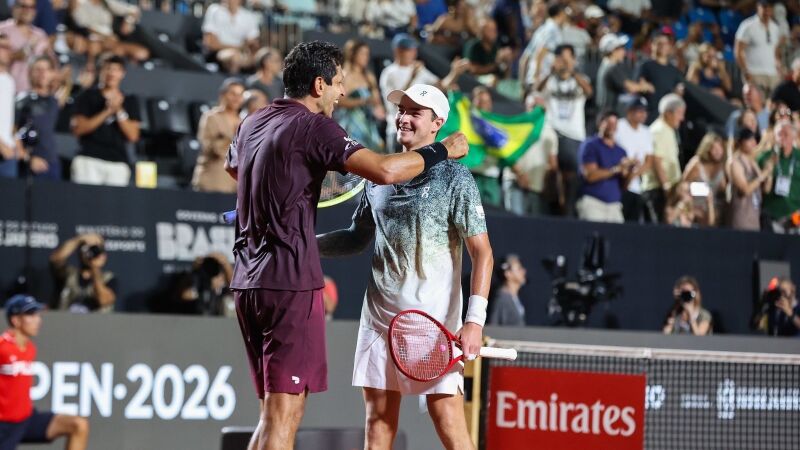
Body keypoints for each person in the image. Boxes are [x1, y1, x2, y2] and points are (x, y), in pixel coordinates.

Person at [222, 41, 468, 450]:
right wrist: (444, 149)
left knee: (272, 415)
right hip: (289, 282)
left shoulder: (253, 121)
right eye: (338, 83)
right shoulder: (315, 127)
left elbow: (235, 168)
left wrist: (284, 189)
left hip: (249, 280)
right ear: (318, 85)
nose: (341, 92)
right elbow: (385, 170)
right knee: (284, 415)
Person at [316, 83, 492, 450]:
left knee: (449, 422)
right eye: (401, 110)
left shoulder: (455, 178)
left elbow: (483, 253)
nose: (404, 118)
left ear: (437, 124)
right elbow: (356, 237)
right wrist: (304, 246)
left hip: (435, 324)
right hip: (380, 322)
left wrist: (474, 321)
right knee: (378, 424)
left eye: (415, 112)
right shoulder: (379, 175)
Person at [0, 294, 90, 450]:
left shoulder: (30, 348)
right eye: (30, 315)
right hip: (4, 425)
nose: (38, 320)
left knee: (78, 425)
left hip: (26, 419)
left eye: (37, 314)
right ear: (16, 320)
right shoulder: (3, 347)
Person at [379, 33, 467, 152]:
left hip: (418, 133)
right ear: (398, 51)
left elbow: (441, 86)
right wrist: (412, 77)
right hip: (396, 131)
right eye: (409, 49)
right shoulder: (389, 73)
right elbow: (395, 102)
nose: (413, 53)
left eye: (414, 49)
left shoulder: (420, 70)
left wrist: (454, 73)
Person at [537, 44, 592, 217]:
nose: (564, 62)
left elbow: (589, 91)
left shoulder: (580, 79)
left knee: (571, 178)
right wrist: (550, 71)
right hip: (553, 131)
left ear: (574, 60)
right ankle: (551, 211)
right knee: (551, 174)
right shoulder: (550, 80)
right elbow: (537, 89)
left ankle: (568, 212)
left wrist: (572, 71)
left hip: (574, 135)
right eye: (561, 58)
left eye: (568, 58)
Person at [70, 54, 140, 186]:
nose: (111, 73)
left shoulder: (130, 101)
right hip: (89, 159)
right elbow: (78, 129)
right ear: (100, 71)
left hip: (117, 163)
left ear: (122, 73)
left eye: (116, 69)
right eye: (107, 68)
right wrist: (106, 112)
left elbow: (133, 136)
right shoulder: (87, 96)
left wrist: (119, 110)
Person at [504, 93, 558, 216]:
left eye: (541, 108)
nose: (537, 110)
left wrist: (548, 183)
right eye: (533, 106)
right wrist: (520, 175)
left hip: (537, 189)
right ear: (526, 107)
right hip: (516, 183)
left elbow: (553, 163)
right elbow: (507, 155)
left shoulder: (551, 133)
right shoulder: (516, 125)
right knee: (515, 222)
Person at [576, 110, 634, 223]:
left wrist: (631, 171)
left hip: (614, 206)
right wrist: (617, 169)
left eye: (615, 123)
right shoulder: (590, 145)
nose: (612, 126)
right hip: (593, 203)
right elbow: (590, 176)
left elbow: (624, 186)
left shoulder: (621, 151)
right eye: (608, 122)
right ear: (600, 124)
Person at [192, 78, 244, 193]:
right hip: (211, 182)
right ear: (223, 95)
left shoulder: (243, 122)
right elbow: (209, 147)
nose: (237, 98)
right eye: (233, 94)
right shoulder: (211, 117)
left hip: (234, 186)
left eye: (240, 95)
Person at [640, 94, 685, 223]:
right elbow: (656, 160)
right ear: (668, 113)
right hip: (657, 190)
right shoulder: (658, 130)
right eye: (680, 113)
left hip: (668, 191)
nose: (682, 118)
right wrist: (666, 187)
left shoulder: (668, 130)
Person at [334, 40, 385, 153]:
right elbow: (337, 101)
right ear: (352, 54)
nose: (366, 57)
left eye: (367, 54)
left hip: (369, 125)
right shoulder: (344, 75)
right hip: (350, 126)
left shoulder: (369, 76)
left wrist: (379, 109)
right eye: (362, 53)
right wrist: (363, 101)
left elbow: (376, 101)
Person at [15, 56, 61, 180]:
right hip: (31, 164)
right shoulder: (22, 100)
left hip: (53, 162)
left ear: (52, 73)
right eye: (38, 69)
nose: (42, 74)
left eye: (46, 70)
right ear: (30, 72)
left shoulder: (54, 101)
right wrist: (28, 158)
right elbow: (13, 133)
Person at [49, 233, 117, 313]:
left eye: (98, 250)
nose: (93, 254)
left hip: (95, 321)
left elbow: (103, 300)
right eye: (89, 250)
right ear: (80, 253)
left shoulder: (109, 278)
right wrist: (79, 239)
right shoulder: (69, 274)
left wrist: (94, 267)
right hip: (65, 319)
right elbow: (56, 260)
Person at [614, 96, 654, 223]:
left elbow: (649, 161)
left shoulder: (646, 132)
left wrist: (634, 175)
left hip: (636, 186)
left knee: (632, 222)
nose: (643, 114)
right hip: (617, 182)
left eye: (645, 111)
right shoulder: (619, 126)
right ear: (629, 111)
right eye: (639, 111)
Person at [0, 0, 53, 93]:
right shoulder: (3, 29)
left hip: (34, 93)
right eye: (23, 6)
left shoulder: (40, 34)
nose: (27, 10)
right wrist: (23, 51)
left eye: (31, 7)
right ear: (14, 8)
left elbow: (51, 62)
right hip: (8, 89)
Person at [735, 0, 785, 96]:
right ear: (758, 7)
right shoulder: (747, 26)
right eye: (764, 7)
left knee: (773, 103)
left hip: (773, 74)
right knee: (756, 103)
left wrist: (779, 66)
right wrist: (745, 71)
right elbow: (738, 50)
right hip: (754, 72)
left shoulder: (775, 27)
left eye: (769, 7)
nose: (767, 10)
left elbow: (776, 51)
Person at [757, 119, 800, 231]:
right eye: (779, 134)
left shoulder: (798, 157)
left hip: (796, 217)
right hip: (771, 216)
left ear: (794, 136)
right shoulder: (765, 158)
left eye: (786, 134)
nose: (782, 137)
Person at [595, 33, 654, 114]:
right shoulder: (612, 68)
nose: (624, 52)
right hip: (608, 114)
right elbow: (631, 88)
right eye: (621, 48)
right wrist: (645, 86)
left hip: (605, 112)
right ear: (613, 51)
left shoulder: (606, 64)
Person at [728, 128, 773, 231]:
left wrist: (769, 172)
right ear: (740, 142)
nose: (754, 143)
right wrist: (763, 174)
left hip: (754, 217)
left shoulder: (753, 162)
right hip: (741, 217)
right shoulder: (735, 162)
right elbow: (745, 190)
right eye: (749, 140)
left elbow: (766, 189)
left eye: (754, 140)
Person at [635, 32, 684, 123]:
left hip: (667, 116)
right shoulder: (645, 65)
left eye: (665, 44)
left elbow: (679, 89)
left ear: (669, 47)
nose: (662, 46)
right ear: (652, 45)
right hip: (649, 114)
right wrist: (644, 85)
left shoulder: (673, 70)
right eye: (659, 43)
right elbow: (638, 83)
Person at [202, 0, 261, 74]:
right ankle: (233, 80)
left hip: (241, 54)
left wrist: (251, 54)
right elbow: (211, 44)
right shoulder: (214, 10)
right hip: (215, 54)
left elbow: (252, 43)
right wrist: (240, 48)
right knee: (234, 57)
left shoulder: (248, 16)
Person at [682, 132, 728, 226]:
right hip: (695, 209)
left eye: (720, 148)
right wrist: (690, 207)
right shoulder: (696, 164)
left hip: (713, 210)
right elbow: (683, 186)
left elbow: (723, 190)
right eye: (714, 148)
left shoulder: (723, 166)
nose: (718, 152)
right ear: (707, 149)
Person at [0, 33, 25, 178]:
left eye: (9, 47)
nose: (8, 51)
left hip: (9, 152)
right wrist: (1, 145)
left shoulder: (9, 80)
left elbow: (9, 118)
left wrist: (17, 143)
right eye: (3, 47)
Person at [488, 254, 526, 326]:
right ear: (508, 273)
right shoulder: (501, 299)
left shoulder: (513, 297)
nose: (523, 271)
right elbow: (493, 325)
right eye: (519, 268)